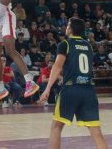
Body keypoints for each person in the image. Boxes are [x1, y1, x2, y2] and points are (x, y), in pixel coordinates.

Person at [40, 18, 107, 149]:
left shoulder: (65, 44)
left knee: (56, 127)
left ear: (70, 29)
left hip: (71, 89)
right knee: (96, 132)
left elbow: (57, 66)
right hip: (88, 91)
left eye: (67, 26)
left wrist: (47, 88)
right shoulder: (88, 45)